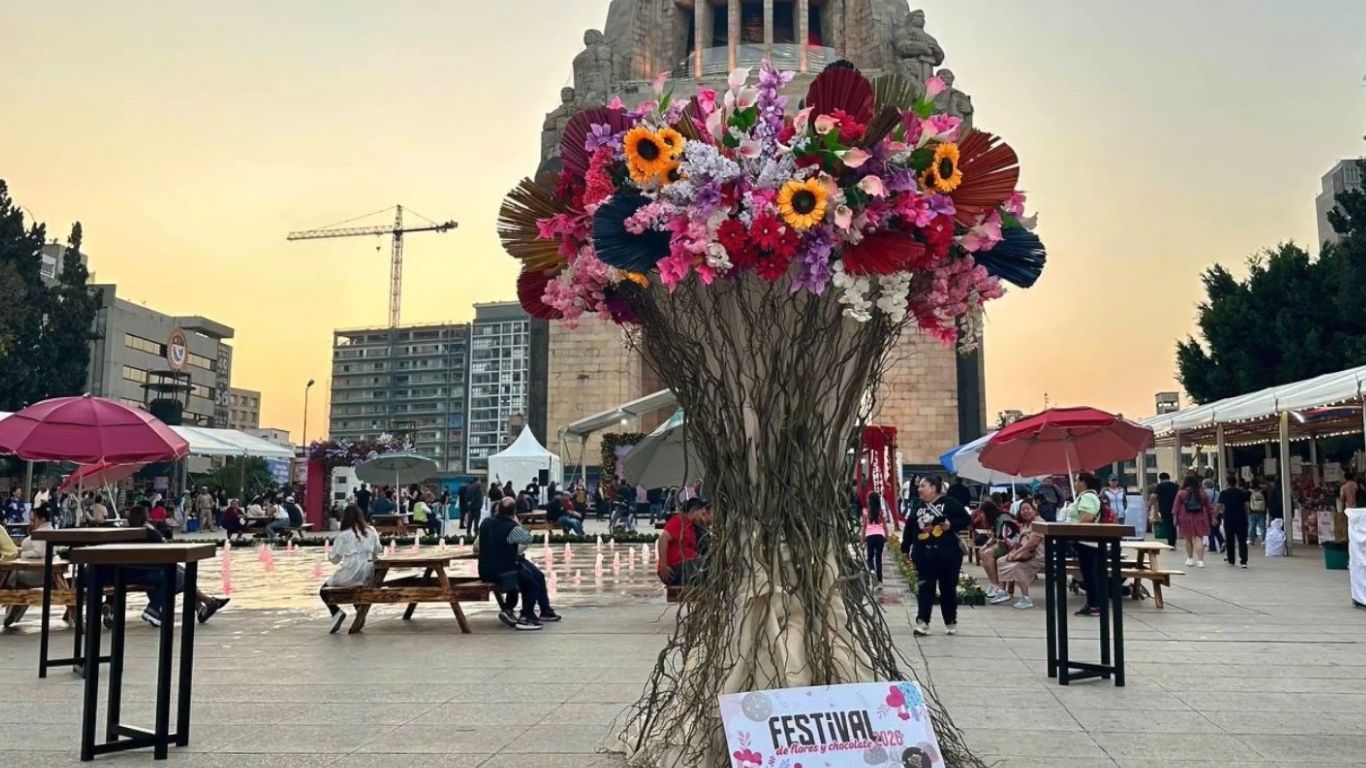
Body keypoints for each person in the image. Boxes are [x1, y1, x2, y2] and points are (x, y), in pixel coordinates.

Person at [117, 505, 229, 627]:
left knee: (181, 571)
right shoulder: (150, 534)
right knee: (182, 576)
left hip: (125, 571)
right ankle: (155, 609)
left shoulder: (124, 533)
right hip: (145, 573)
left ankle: (202, 607)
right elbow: (163, 555)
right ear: (145, 517)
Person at [477, 498, 559, 630]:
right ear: (514, 512)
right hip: (505, 570)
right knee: (532, 584)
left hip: (485, 572)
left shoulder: (486, 523)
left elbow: (476, 547)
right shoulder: (512, 528)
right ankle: (526, 617)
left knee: (527, 575)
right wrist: (516, 523)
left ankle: (509, 610)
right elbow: (528, 539)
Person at [902, 475, 969, 636]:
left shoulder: (950, 503)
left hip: (948, 554)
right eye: (919, 486)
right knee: (925, 587)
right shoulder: (917, 506)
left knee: (947, 589)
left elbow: (966, 519)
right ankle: (923, 622)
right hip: (924, 554)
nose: (919, 489)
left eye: (923, 486)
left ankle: (950, 620)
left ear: (933, 488)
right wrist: (905, 548)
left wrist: (950, 524)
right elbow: (910, 528)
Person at [319, 503, 383, 633]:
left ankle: (337, 613)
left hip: (350, 573)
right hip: (368, 573)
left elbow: (335, 559)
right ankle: (360, 614)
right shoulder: (371, 531)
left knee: (324, 590)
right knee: (357, 589)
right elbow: (378, 550)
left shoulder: (343, 536)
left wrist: (329, 553)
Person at [2, 506, 55, 626]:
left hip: (35, 572)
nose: (30, 523)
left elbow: (38, 553)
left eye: (32, 520)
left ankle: (14, 602)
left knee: (9, 575)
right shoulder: (49, 529)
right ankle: (16, 605)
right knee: (13, 575)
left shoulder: (42, 533)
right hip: (42, 571)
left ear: (41, 519)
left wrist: (22, 554)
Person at [1062, 473, 1105, 617]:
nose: (1074, 484)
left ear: (1083, 482)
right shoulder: (1085, 497)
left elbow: (1086, 518)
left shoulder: (1088, 497)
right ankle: (1092, 603)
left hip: (1087, 541)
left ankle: (1094, 605)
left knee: (1090, 574)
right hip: (1082, 541)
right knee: (1087, 573)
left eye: (1076, 480)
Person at [996, 500, 1045, 609]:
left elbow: (1032, 543)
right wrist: (1012, 553)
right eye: (1023, 510)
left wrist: (1016, 554)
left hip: (1037, 555)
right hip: (1023, 553)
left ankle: (1025, 598)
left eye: (1028, 509)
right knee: (1001, 560)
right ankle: (1002, 591)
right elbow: (1020, 542)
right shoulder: (1025, 524)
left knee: (1017, 567)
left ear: (1034, 509)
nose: (1025, 511)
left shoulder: (1039, 522)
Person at [656, 498, 711, 587]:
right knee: (710, 566)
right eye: (702, 514)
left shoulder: (691, 526)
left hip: (686, 566)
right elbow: (662, 539)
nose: (703, 518)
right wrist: (663, 565)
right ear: (693, 511)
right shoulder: (679, 521)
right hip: (676, 569)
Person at [981, 503, 1022, 604]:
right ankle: (993, 583)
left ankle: (997, 586)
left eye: (982, 513)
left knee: (987, 554)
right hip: (1004, 545)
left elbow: (1004, 539)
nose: (981, 516)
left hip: (1012, 547)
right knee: (983, 552)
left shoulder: (1003, 519)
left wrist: (989, 548)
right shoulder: (997, 519)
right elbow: (995, 536)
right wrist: (985, 545)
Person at [1174, 475, 1214, 568]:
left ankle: (1190, 559)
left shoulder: (1181, 493)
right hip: (1200, 517)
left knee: (1188, 538)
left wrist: (1175, 518)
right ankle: (1200, 561)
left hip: (1185, 517)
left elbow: (1176, 507)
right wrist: (1212, 516)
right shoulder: (1202, 493)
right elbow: (1208, 506)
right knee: (1198, 538)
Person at [1218, 476, 1251, 568]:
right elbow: (1247, 506)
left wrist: (1215, 516)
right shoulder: (1242, 493)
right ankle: (1243, 561)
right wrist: (1246, 516)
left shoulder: (1224, 493)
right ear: (1236, 483)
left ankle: (1231, 560)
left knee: (1229, 540)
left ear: (1227, 483)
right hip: (1241, 519)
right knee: (1242, 541)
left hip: (1229, 519)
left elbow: (1219, 506)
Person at [1148, 472, 1180, 547]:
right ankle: (1173, 541)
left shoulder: (1159, 486)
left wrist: (1149, 505)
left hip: (1164, 508)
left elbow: (1154, 497)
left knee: (1168, 525)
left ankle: (1171, 542)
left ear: (1160, 479)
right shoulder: (1175, 486)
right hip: (1175, 508)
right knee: (1173, 525)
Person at [863, 492, 888, 587]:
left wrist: (862, 538)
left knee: (870, 557)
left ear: (870, 501)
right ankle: (880, 581)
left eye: (868, 499)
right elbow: (884, 525)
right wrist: (887, 536)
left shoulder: (866, 512)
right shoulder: (881, 512)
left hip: (870, 536)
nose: (867, 500)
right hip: (880, 536)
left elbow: (864, 526)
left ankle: (872, 571)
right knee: (878, 558)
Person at [1203, 478, 1224, 554]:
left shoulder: (1204, 493)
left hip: (1208, 513)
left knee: (1210, 530)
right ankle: (1222, 542)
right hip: (1218, 512)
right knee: (1216, 529)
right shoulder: (1217, 493)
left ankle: (1212, 547)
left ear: (1205, 485)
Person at [1248, 479, 1268, 546]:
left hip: (1252, 512)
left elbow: (1247, 503)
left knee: (1252, 527)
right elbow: (1266, 501)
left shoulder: (1249, 492)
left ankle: (1251, 540)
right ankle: (1263, 540)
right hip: (1261, 512)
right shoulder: (1263, 492)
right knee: (1262, 527)